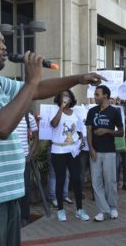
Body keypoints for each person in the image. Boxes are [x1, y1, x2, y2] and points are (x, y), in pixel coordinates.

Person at [0, 18, 105, 246]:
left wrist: (78, 78)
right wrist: (31, 81)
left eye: (3, 41)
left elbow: (37, 90)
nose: (4, 47)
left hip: (5, 194)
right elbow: (1, 126)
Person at [49, 90, 89, 222]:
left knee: (76, 179)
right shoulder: (54, 109)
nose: (65, 98)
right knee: (60, 180)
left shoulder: (75, 113)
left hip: (73, 150)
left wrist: (81, 142)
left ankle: (80, 209)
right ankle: (60, 209)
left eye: (67, 95)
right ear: (59, 98)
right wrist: (61, 108)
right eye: (63, 95)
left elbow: (79, 130)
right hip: (58, 150)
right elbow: (54, 124)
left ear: (71, 98)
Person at [86, 85, 123, 222]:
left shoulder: (114, 111)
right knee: (96, 182)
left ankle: (113, 207)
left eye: (97, 94)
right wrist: (91, 148)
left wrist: (107, 131)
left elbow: (121, 132)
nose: (95, 97)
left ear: (105, 96)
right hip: (95, 151)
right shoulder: (92, 111)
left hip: (109, 152)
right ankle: (102, 210)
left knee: (110, 181)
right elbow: (89, 130)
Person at [16, 112, 39, 227]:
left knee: (25, 189)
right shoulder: (5, 114)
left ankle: (24, 217)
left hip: (24, 160)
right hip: (9, 161)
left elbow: (36, 138)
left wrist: (29, 156)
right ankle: (14, 218)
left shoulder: (28, 117)